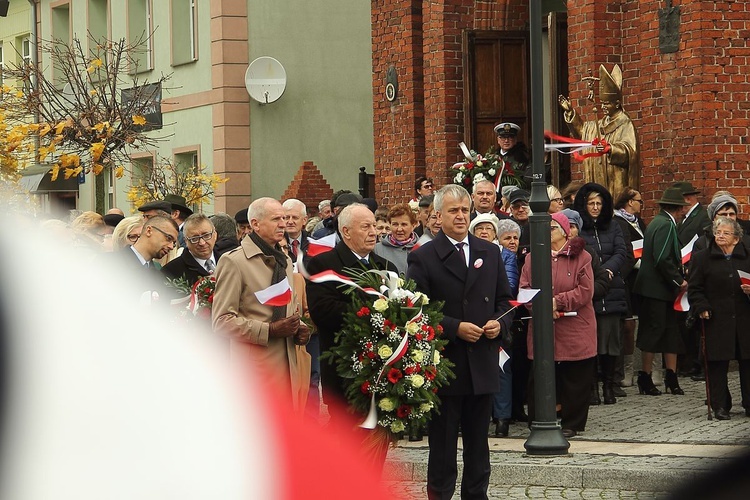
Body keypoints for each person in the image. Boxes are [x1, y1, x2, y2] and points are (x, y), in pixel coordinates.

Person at [406, 184, 514, 499]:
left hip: (482, 361)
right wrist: (454, 328)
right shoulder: (424, 256)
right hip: (445, 366)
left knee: (478, 447)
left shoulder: (490, 251)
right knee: (442, 446)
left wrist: (499, 323)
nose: (461, 216)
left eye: (465, 210)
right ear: (437, 216)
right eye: (453, 210)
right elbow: (415, 309)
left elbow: (506, 302)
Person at [306, 203, 397, 467]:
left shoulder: (385, 265)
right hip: (345, 373)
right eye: (365, 226)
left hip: (383, 373)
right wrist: (373, 312)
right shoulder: (324, 264)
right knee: (347, 448)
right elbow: (323, 311)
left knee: (377, 443)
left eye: (374, 225)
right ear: (346, 231)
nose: (373, 232)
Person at [212, 198, 311, 410]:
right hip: (256, 373)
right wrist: (269, 330)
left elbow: (288, 307)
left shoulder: (283, 258)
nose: (283, 224)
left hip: (290, 368)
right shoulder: (234, 262)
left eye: (284, 218)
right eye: (276, 219)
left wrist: (300, 328)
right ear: (255, 224)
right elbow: (221, 321)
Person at [520, 212, 597, 438]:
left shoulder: (583, 257)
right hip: (544, 327)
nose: (547, 231)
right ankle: (541, 419)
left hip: (575, 326)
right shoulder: (532, 258)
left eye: (552, 227)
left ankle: (572, 422)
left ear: (565, 231)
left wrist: (557, 301)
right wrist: (542, 307)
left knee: (574, 376)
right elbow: (525, 289)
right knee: (543, 373)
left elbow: (585, 290)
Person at [573, 183, 632, 405]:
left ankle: (609, 386)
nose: (596, 207)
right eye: (591, 203)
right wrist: (597, 274)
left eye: (599, 203)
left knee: (610, 343)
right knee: (592, 344)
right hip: (591, 290)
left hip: (613, 288)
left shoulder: (614, 225)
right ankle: (593, 388)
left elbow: (621, 251)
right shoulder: (581, 228)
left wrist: (608, 270)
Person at [688, 217, 750, 420]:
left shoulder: (747, 256)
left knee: (748, 362)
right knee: (717, 364)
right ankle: (720, 406)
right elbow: (695, 289)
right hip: (716, 318)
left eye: (725, 233)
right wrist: (702, 306)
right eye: (718, 232)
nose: (720, 236)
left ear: (736, 238)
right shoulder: (702, 258)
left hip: (744, 318)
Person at [633, 186, 689, 396]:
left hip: (658, 289)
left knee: (668, 332)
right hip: (657, 289)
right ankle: (646, 377)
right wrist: (678, 280)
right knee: (654, 332)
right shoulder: (666, 225)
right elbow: (662, 257)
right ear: (677, 208)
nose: (684, 211)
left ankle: (669, 377)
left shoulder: (658, 222)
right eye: (683, 207)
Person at [470, 214, 518, 438]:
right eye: (479, 228)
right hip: (470, 322)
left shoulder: (505, 255)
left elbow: (508, 286)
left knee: (501, 370)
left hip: (496, 320)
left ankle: (502, 418)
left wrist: (497, 319)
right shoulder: (467, 254)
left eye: (488, 228)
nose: (483, 232)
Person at [558, 64, 639, 196]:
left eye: (607, 103)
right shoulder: (600, 123)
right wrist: (570, 112)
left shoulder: (625, 124)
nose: (603, 107)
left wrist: (611, 149)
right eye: (602, 102)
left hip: (616, 181)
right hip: (599, 180)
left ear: (617, 104)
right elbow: (584, 131)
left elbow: (631, 151)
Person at [672, 181, 710, 380]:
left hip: (693, 272)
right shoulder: (685, 218)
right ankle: (688, 363)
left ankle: (695, 363)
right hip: (683, 273)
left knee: (693, 322)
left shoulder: (701, 218)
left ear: (687, 199)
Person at [613, 187, 647, 389]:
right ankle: (627, 370)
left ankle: (641, 368)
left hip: (640, 278)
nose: (641, 204)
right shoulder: (618, 221)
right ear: (629, 202)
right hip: (627, 276)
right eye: (639, 201)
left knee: (638, 321)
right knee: (627, 324)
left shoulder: (639, 222)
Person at [161, 214, 218, 288]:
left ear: (215, 235)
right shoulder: (170, 272)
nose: (202, 243)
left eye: (206, 235)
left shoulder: (228, 262)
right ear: (186, 241)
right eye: (194, 239)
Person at [373, 203, 420, 276]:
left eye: (404, 224)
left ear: (413, 225)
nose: (399, 229)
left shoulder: (423, 247)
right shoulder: (376, 249)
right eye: (395, 224)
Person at [493, 122, 532, 188]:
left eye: (510, 137)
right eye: (503, 137)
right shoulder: (492, 157)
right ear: (498, 140)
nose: (506, 141)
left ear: (515, 140)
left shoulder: (523, 158)